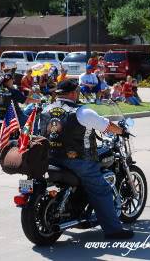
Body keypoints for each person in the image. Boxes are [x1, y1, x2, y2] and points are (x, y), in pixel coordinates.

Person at [39, 79, 134, 240]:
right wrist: (122, 132)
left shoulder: (46, 109)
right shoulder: (81, 112)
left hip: (51, 158)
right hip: (78, 160)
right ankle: (113, 230)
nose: (78, 94)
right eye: (77, 91)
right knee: (101, 189)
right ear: (73, 93)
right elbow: (107, 126)